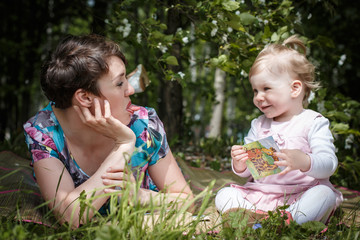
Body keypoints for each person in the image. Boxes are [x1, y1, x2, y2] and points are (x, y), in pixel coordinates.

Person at [23, 34, 193, 227]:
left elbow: (188, 202)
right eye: (120, 83)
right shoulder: (44, 133)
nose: (131, 89)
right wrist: (123, 145)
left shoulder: (144, 126)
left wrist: (141, 197)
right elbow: (69, 217)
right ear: (85, 97)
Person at [215, 35, 343, 225]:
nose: (258, 97)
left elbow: (329, 164)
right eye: (255, 91)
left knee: (324, 195)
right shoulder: (258, 124)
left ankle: (288, 220)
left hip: (301, 195)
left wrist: (305, 161)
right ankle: (255, 219)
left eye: (266, 88)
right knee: (224, 194)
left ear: (295, 89)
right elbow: (251, 171)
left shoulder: (312, 121)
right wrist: (240, 163)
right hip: (260, 196)